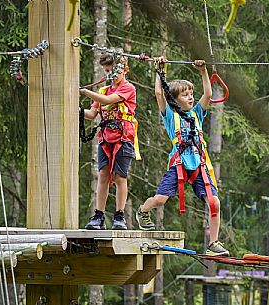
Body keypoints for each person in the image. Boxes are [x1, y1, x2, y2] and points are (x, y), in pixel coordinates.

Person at [136, 57, 229, 256]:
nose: (190, 97)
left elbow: (208, 93)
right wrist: (160, 69)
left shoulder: (197, 113)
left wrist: (203, 71)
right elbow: (159, 93)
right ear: (175, 99)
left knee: (215, 203)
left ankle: (213, 243)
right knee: (160, 200)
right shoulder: (170, 115)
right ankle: (143, 211)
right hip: (179, 164)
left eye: (191, 94)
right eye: (185, 95)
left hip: (198, 165)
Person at [80, 53, 140, 230]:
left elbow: (107, 101)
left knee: (120, 176)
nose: (110, 76)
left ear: (124, 70)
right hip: (106, 137)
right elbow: (92, 114)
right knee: (103, 174)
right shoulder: (103, 91)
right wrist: (77, 109)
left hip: (123, 137)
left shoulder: (128, 89)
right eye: (107, 72)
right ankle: (98, 215)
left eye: (113, 72)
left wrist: (85, 91)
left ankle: (119, 216)